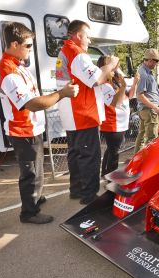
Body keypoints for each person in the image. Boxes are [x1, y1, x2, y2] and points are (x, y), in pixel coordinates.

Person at [0, 22, 78, 224]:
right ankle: (29, 212)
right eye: (28, 46)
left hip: (31, 128)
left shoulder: (17, 65)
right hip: (22, 131)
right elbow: (32, 104)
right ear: (15, 44)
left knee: (37, 167)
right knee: (30, 172)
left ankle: (36, 197)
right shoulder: (9, 71)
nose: (30, 50)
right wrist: (62, 94)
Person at [56, 20, 119, 205]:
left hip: (72, 113)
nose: (90, 41)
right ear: (78, 35)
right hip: (83, 114)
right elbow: (97, 79)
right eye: (88, 36)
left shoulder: (65, 51)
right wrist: (111, 65)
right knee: (90, 156)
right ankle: (89, 195)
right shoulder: (77, 53)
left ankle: (76, 189)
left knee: (75, 153)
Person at [98, 56, 138, 176]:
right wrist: (124, 86)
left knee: (112, 150)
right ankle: (111, 176)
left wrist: (134, 83)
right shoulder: (104, 85)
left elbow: (129, 96)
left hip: (120, 123)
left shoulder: (114, 81)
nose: (114, 70)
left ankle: (105, 173)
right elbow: (115, 102)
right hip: (112, 124)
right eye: (111, 68)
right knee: (114, 151)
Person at [134, 48, 159, 153]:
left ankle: (137, 160)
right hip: (149, 110)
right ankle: (148, 163)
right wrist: (155, 107)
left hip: (146, 109)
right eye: (156, 61)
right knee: (152, 139)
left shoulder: (145, 71)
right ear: (150, 60)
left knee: (142, 136)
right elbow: (140, 95)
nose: (157, 63)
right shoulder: (144, 74)